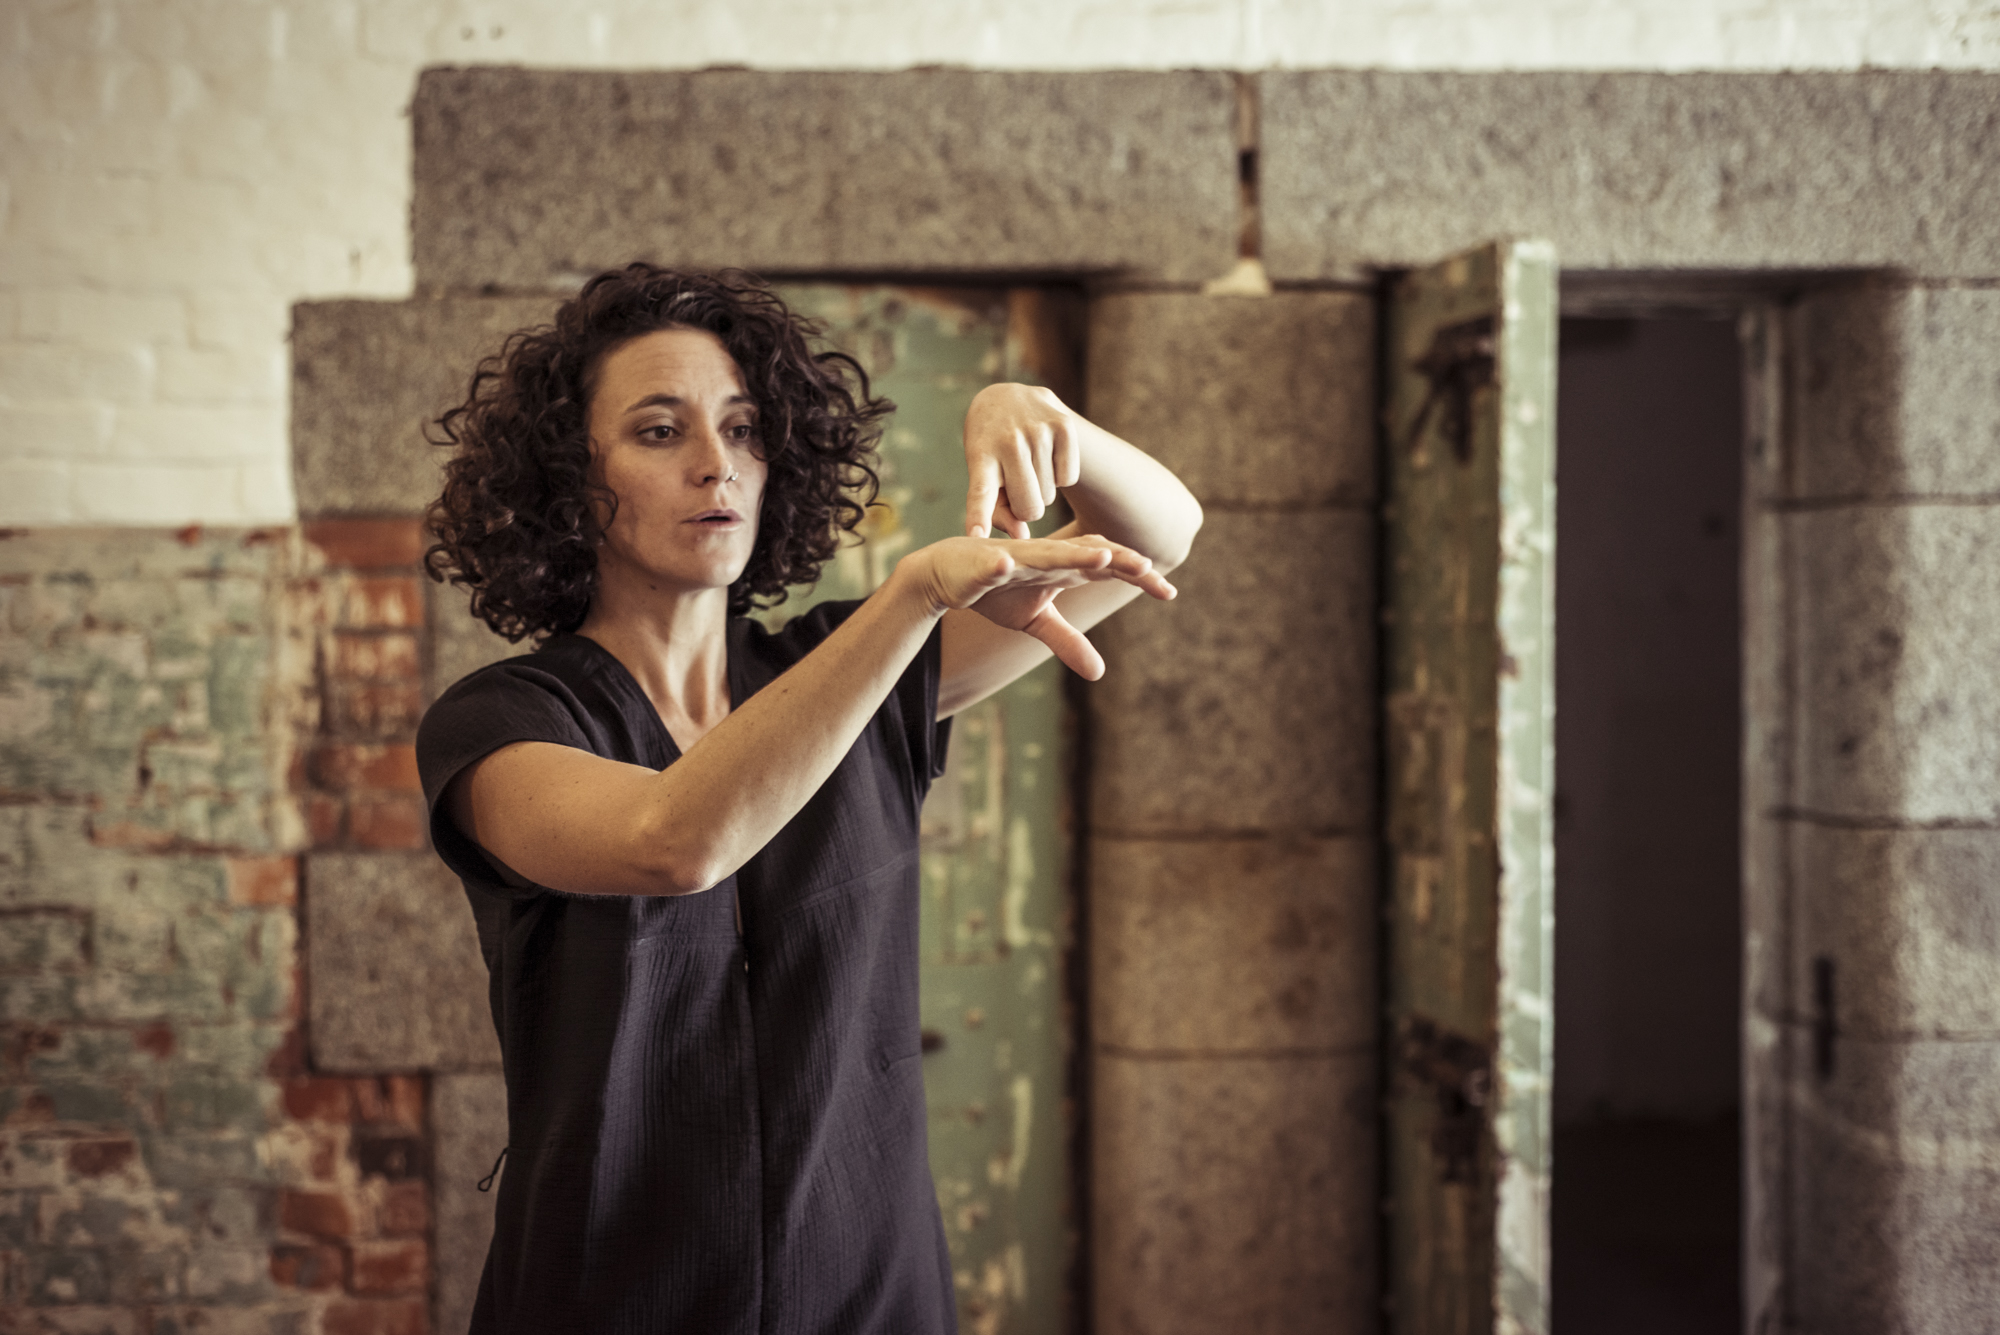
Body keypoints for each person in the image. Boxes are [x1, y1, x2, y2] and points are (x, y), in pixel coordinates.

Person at [415, 264, 1201, 1334]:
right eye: (659, 432)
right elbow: (674, 842)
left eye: (743, 430)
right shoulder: (501, 722)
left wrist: (1041, 417)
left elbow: (1161, 533)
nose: (715, 466)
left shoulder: (856, 673)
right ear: (566, 478)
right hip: (609, 1302)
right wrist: (913, 593)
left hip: (872, 1298)